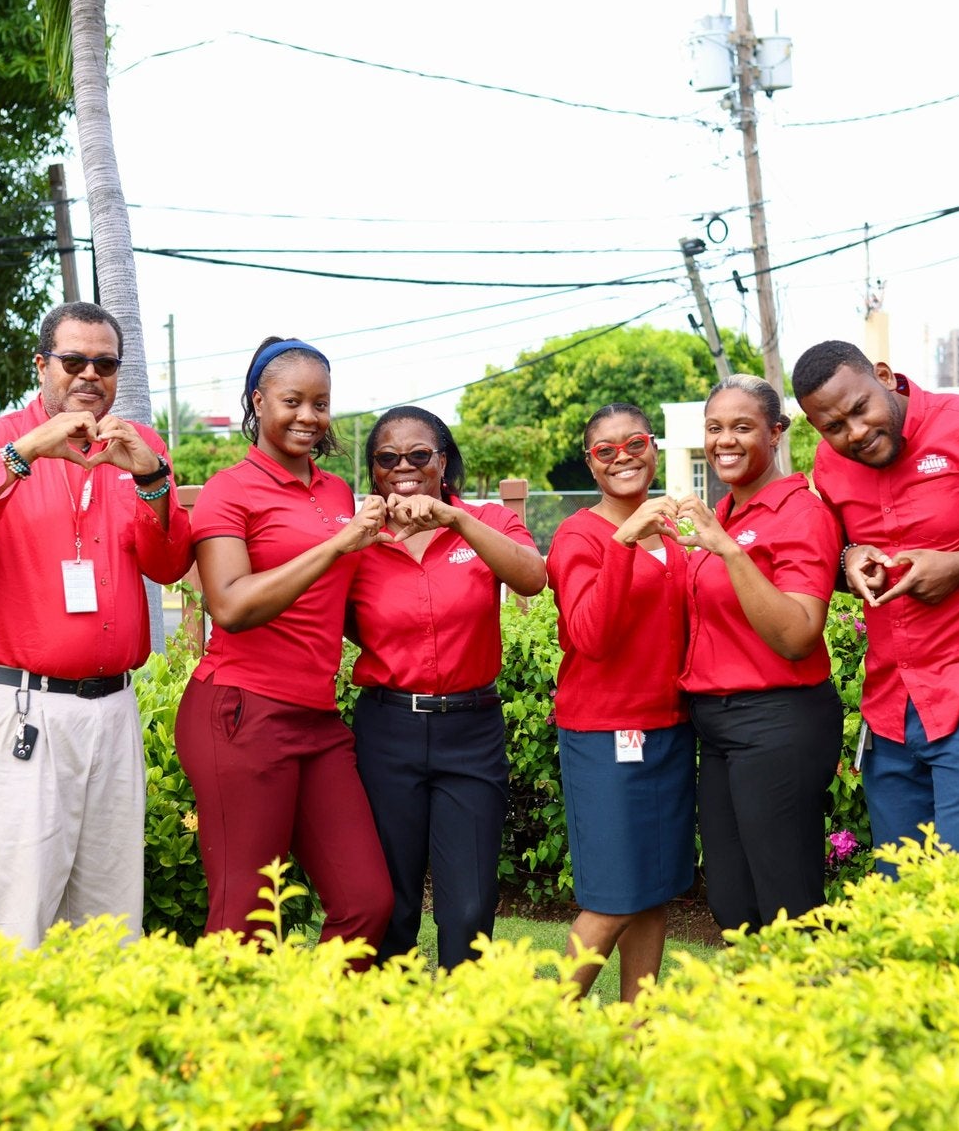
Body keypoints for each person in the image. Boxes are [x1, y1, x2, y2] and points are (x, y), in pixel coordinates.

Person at [0, 301, 191, 948]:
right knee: (13, 915)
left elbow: (170, 564)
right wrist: (21, 454)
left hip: (112, 708)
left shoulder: (138, 447)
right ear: (42, 366)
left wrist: (148, 475)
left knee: (110, 918)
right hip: (20, 707)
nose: (90, 374)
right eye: (74, 360)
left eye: (106, 363)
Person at [792, 341, 959, 870]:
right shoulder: (831, 464)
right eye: (833, 426)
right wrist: (849, 558)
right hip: (892, 704)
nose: (854, 433)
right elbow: (840, 552)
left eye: (859, 409)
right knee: (902, 896)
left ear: (886, 377)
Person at [178, 337, 392, 963]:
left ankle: (309, 1038)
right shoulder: (229, 490)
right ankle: (228, 1056)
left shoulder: (334, 495)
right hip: (241, 711)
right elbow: (232, 606)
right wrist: (337, 545)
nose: (308, 416)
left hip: (316, 719)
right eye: (292, 401)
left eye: (321, 404)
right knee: (247, 917)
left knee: (366, 902)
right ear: (257, 401)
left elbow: (341, 605)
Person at [346, 406, 546, 968]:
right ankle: (390, 1028)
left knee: (469, 904)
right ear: (375, 471)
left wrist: (454, 521)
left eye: (419, 455)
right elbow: (342, 619)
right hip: (388, 730)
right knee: (391, 900)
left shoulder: (485, 521)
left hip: (470, 730)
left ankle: (464, 1032)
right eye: (387, 459)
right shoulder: (360, 540)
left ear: (444, 462)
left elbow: (531, 575)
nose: (403, 467)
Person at [677, 374, 843, 930]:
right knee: (733, 903)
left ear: (776, 433)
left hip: (777, 722)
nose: (726, 440)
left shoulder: (800, 513)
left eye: (743, 427)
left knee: (786, 905)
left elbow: (797, 636)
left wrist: (727, 552)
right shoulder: (723, 514)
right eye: (715, 427)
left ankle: (802, 1013)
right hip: (718, 728)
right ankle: (751, 1015)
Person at [546, 403, 695, 1000]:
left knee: (654, 893)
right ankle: (539, 1026)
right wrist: (625, 540)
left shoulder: (674, 531)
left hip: (669, 727)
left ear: (653, 447)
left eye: (633, 442)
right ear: (591, 462)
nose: (622, 456)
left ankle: (637, 1037)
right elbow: (591, 636)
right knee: (612, 899)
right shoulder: (579, 535)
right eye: (605, 450)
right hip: (608, 733)